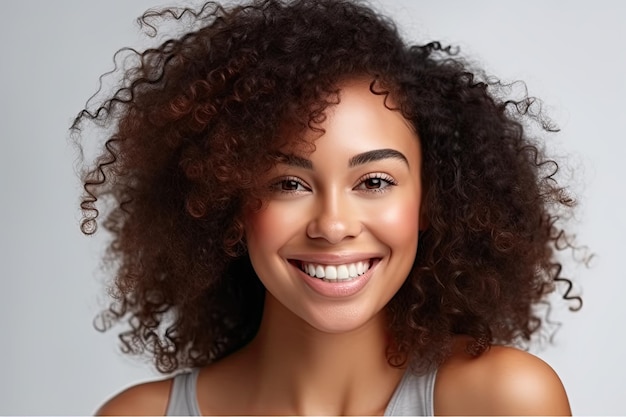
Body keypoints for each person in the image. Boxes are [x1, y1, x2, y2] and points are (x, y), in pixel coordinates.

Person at [72, 0, 584, 415]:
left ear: (432, 201)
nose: (333, 225)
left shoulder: (501, 400)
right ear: (227, 203)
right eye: (289, 183)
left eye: (376, 181)